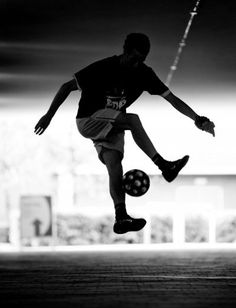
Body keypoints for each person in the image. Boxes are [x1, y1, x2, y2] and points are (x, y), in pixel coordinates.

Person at [34, 33, 215, 234]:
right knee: (133, 120)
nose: (136, 63)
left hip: (112, 123)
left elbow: (172, 99)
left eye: (141, 60)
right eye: (133, 58)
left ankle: (121, 216)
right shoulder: (104, 67)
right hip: (89, 119)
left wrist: (198, 119)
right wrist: (48, 116)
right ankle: (163, 165)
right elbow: (66, 86)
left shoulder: (145, 74)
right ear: (125, 51)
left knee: (114, 165)